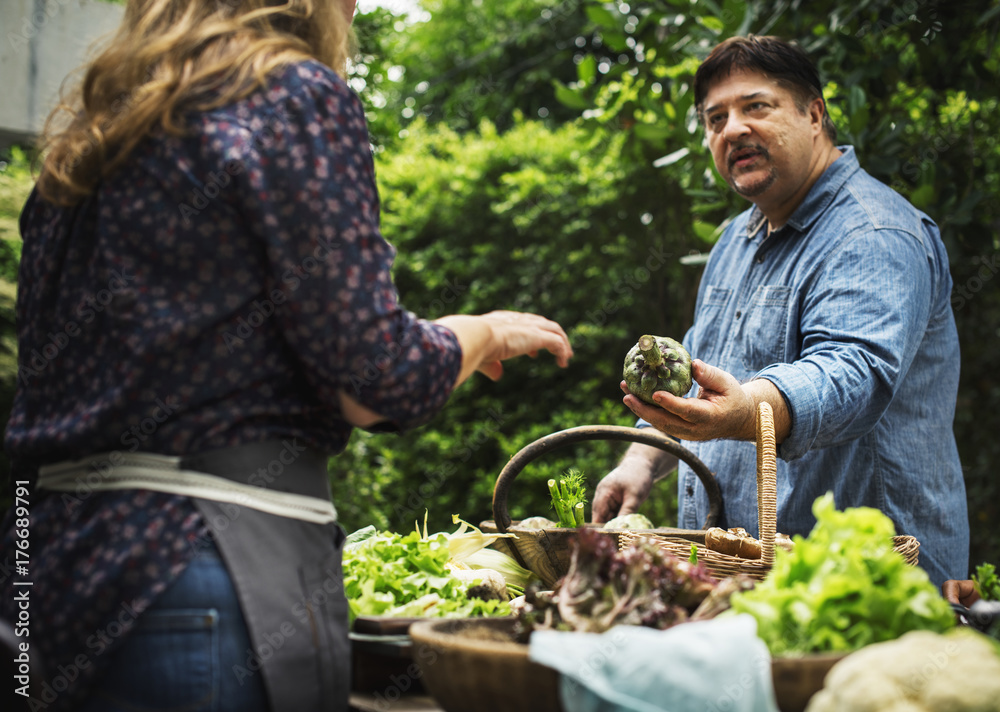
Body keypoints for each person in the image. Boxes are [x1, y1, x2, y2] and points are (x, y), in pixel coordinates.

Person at [0, 1, 573, 710]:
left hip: (43, 569)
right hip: (197, 570)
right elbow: (375, 379)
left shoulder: (86, 143)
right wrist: (482, 331)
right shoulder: (288, 93)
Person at [592, 34, 968, 589]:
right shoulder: (734, 243)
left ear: (814, 114)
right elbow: (697, 375)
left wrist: (750, 412)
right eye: (715, 118)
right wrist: (640, 462)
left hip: (867, 587)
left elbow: (852, 371)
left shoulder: (873, 233)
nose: (733, 129)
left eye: (756, 106)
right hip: (745, 581)